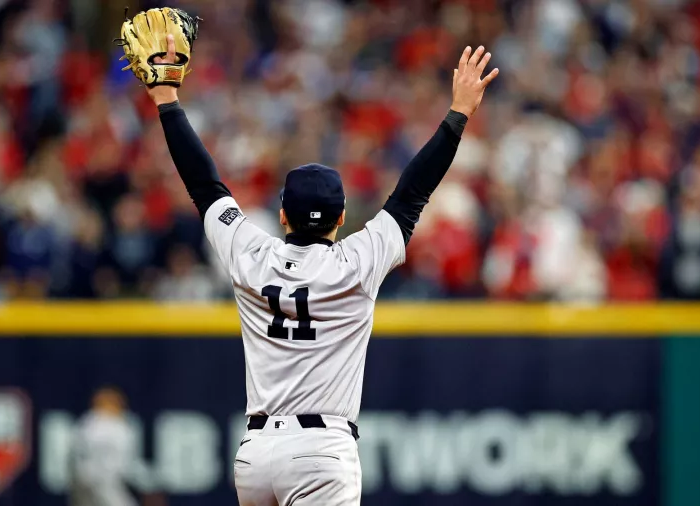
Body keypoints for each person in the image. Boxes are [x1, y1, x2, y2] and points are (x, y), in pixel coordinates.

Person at [147, 33, 498, 506]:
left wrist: (166, 97)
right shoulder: (357, 262)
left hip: (256, 453)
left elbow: (204, 184)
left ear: (282, 215)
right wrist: (457, 114)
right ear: (341, 217)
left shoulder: (250, 252)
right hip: (321, 452)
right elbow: (412, 193)